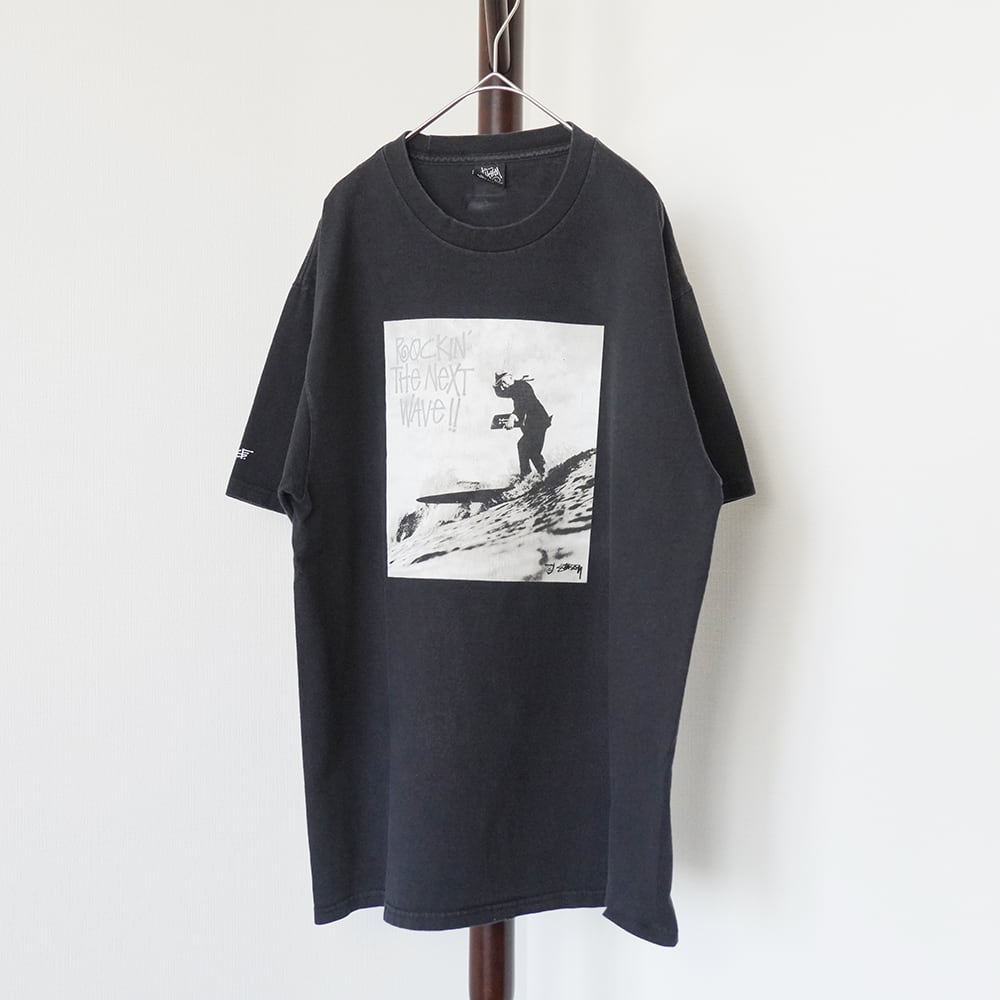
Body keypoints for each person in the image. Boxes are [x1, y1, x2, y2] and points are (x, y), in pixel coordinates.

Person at [493, 370, 553, 478]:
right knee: (533, 452)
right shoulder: (514, 388)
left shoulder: (523, 387)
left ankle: (527, 476)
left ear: (510, 377)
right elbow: (501, 394)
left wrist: (513, 416)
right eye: (500, 384)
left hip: (538, 423)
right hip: (532, 426)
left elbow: (522, 405)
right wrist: (496, 387)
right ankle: (544, 475)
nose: (503, 386)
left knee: (523, 446)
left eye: (503, 382)